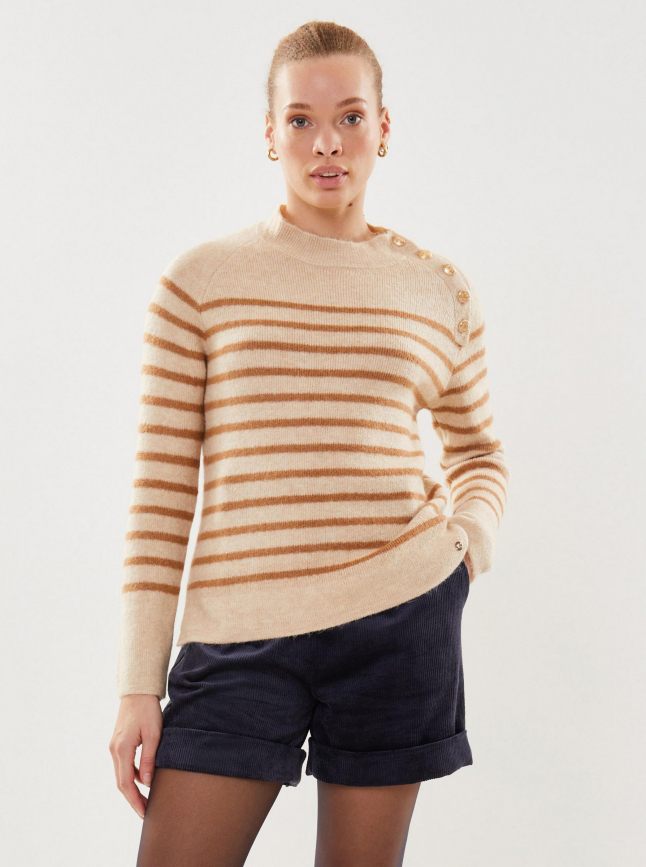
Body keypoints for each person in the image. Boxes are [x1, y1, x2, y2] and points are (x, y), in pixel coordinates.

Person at [109, 19, 510, 867]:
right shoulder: (200, 283)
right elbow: (161, 492)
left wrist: (463, 552)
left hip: (399, 618)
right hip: (238, 638)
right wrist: (138, 683)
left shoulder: (438, 289)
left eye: (350, 117)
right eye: (301, 119)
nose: (327, 142)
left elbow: (478, 451)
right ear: (270, 133)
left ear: (383, 128)